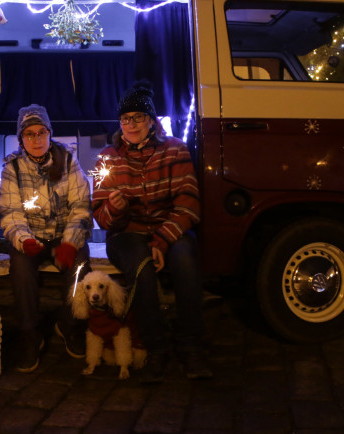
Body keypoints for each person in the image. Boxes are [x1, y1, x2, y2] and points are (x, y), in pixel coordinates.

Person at [91, 81, 213, 383]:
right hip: (126, 235)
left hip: (168, 228)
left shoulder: (174, 151)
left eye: (137, 117)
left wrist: (161, 240)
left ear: (151, 121)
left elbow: (189, 203)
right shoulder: (108, 157)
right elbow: (102, 218)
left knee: (185, 258)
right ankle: (155, 347)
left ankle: (190, 345)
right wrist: (116, 210)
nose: (130, 124)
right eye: (125, 119)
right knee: (143, 269)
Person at [0, 104, 92, 373]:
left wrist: (70, 242)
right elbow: (11, 213)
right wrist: (24, 240)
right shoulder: (12, 169)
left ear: (50, 134)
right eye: (29, 134)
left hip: (64, 236)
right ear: (21, 139)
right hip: (31, 239)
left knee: (79, 266)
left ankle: (70, 324)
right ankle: (30, 333)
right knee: (20, 268)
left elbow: (81, 207)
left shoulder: (69, 163)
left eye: (41, 133)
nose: (36, 140)